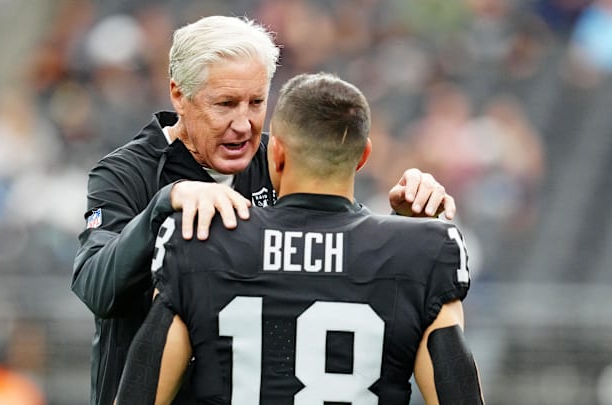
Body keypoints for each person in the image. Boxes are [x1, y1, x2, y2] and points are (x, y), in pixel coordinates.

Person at [72, 15, 456, 405]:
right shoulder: (125, 173)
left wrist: (406, 228)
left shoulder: (279, 158)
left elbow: (342, 259)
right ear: (178, 94)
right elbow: (96, 286)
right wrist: (164, 204)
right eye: (225, 104)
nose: (243, 124)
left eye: (256, 102)